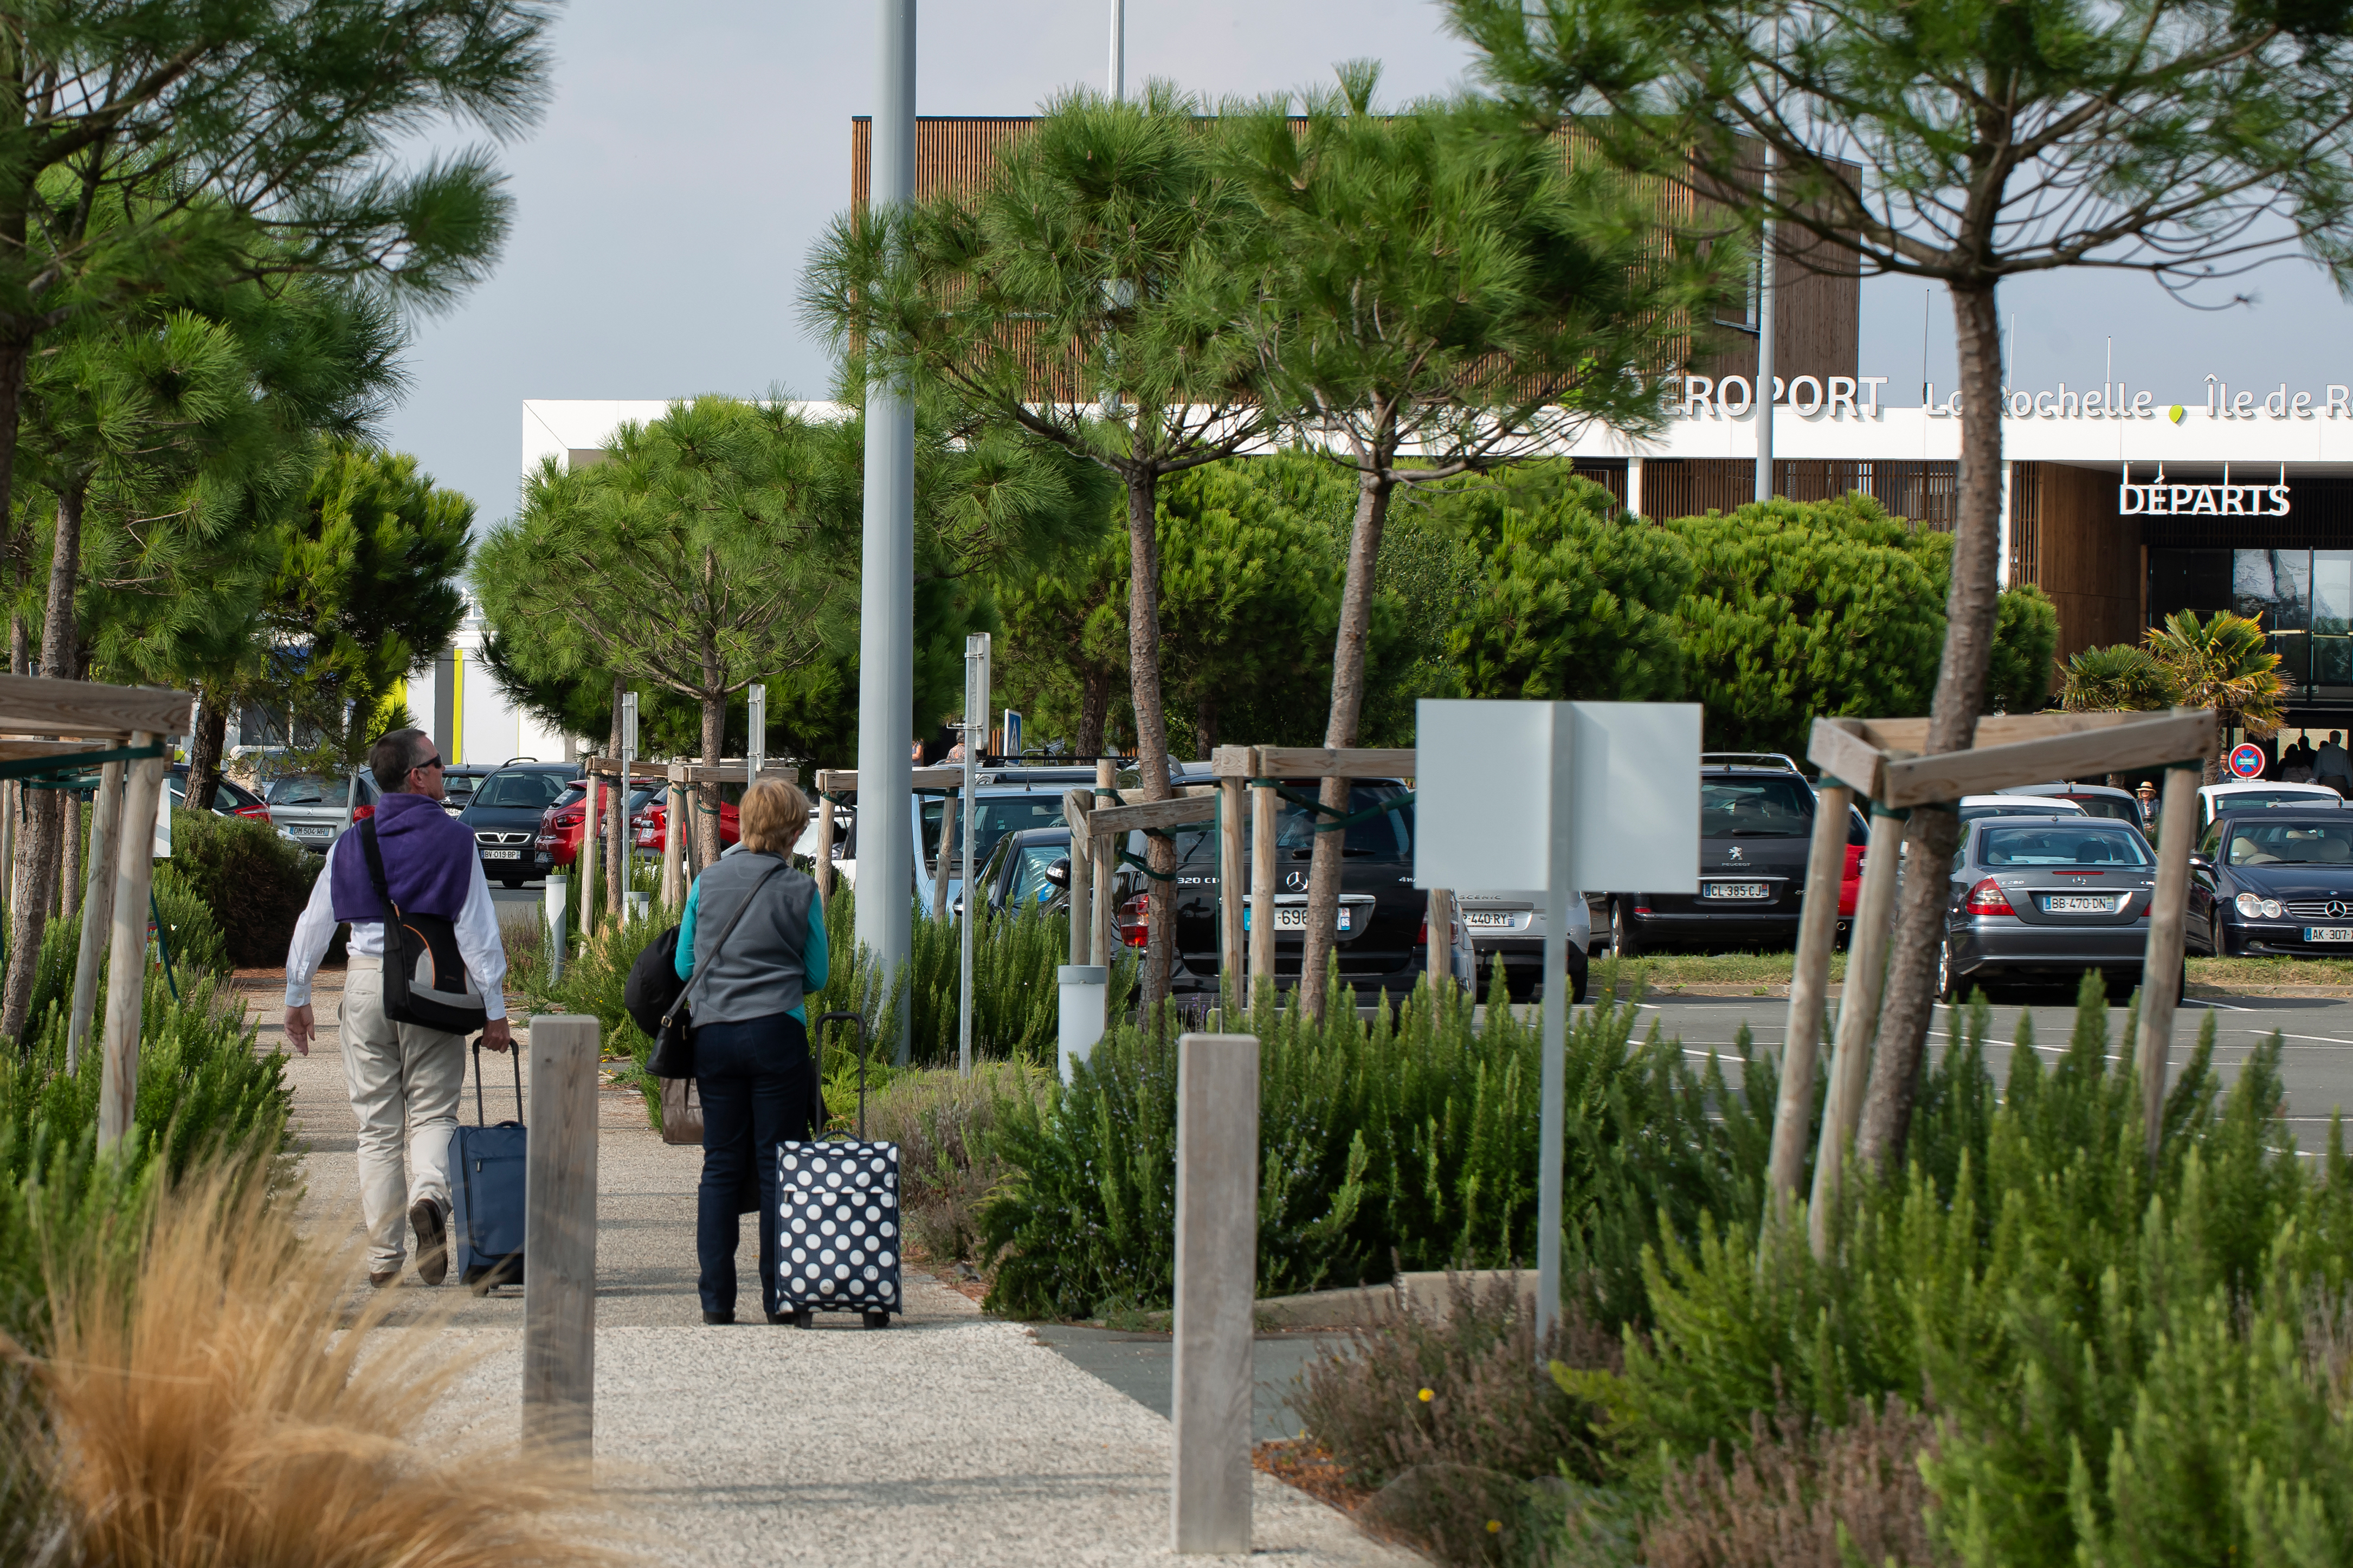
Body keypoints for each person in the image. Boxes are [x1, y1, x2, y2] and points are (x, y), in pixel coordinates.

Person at [283, 730, 511, 1288]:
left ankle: (384, 1258)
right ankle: (430, 1195)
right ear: (417, 775)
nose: (443, 771)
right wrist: (495, 1009)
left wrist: (298, 995)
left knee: (376, 1128)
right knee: (434, 1112)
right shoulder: (457, 842)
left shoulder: (352, 842)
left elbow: (314, 922)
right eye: (437, 763)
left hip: (363, 986)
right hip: (431, 986)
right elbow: (478, 934)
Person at [675, 777, 829, 1325]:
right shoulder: (801, 890)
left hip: (715, 1036)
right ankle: (781, 1299)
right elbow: (817, 974)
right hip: (777, 1035)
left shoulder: (707, 882)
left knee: (719, 1164)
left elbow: (683, 968)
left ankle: (716, 1300)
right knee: (777, 1167)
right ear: (792, 830)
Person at [2321, 732, 2353, 798]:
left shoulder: (2322, 751)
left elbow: (2317, 768)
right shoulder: (2344, 752)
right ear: (2339, 739)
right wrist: (2351, 786)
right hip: (2340, 782)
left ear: (2330, 738)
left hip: (2326, 780)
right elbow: (2348, 770)